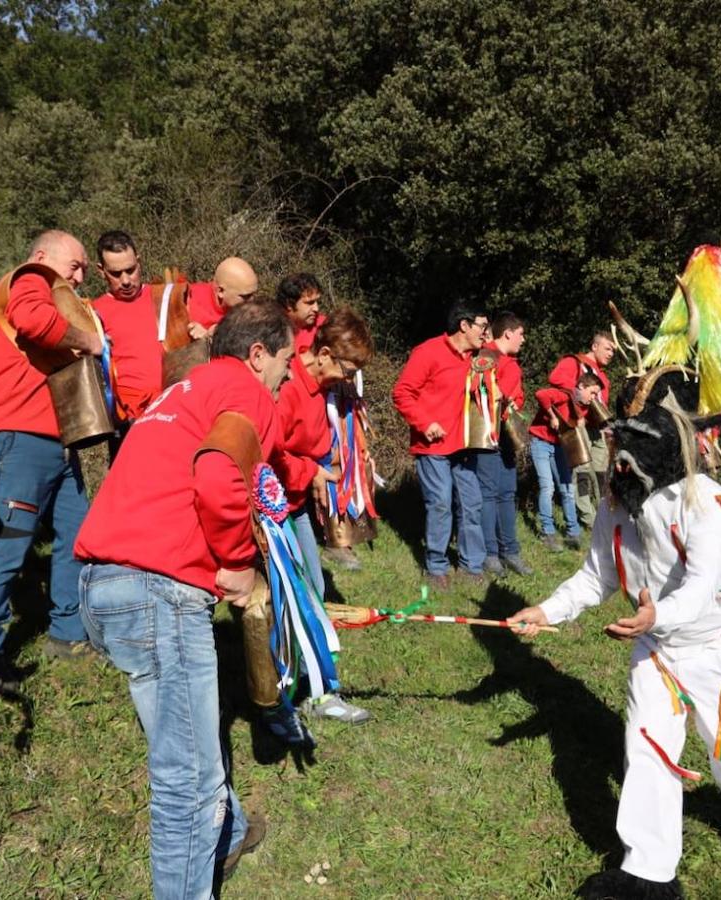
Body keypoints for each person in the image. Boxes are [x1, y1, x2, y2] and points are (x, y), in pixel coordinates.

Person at [510, 396, 721, 900]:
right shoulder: (616, 507)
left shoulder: (708, 504)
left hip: (717, 647)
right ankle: (649, 871)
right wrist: (547, 610)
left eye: (632, 448)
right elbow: (596, 577)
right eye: (618, 445)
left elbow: (702, 587)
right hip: (656, 649)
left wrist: (658, 613)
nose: (619, 459)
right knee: (646, 749)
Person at [75, 301, 293, 898]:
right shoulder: (246, 392)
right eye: (286, 361)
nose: (288, 375)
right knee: (186, 776)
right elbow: (221, 472)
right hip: (158, 590)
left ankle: (232, 832)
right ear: (257, 354)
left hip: (102, 581)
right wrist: (238, 565)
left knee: (186, 736)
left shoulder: (183, 390)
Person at [0, 231, 103, 690]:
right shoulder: (30, 280)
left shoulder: (53, 289)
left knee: (75, 536)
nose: (79, 277)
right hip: (14, 438)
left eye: (83, 269)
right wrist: (89, 340)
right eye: (75, 265)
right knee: (11, 541)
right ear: (42, 257)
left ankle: (68, 632)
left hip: (58, 443)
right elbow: (34, 322)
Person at [273, 308, 375, 724]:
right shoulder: (287, 386)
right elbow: (269, 452)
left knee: (313, 591)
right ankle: (282, 696)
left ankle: (316, 689)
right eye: (348, 369)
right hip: (272, 508)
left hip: (295, 503)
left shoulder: (321, 392)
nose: (350, 379)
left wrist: (324, 458)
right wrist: (310, 467)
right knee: (289, 602)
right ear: (326, 353)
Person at [391, 304, 491, 589]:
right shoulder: (428, 352)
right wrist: (425, 423)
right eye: (482, 326)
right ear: (464, 325)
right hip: (433, 446)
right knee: (440, 505)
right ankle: (436, 566)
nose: (486, 333)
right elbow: (402, 393)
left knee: (472, 504)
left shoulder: (480, 359)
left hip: (465, 446)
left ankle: (472, 566)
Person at [90, 230, 217, 423]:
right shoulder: (93, 312)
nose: (125, 280)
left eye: (130, 270)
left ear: (139, 262)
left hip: (179, 410)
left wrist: (206, 334)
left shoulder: (167, 296)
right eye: (116, 274)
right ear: (101, 271)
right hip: (129, 420)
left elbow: (222, 330)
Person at [475, 311, 532, 576]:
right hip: (486, 435)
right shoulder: (485, 357)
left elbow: (514, 398)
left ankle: (510, 550)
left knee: (507, 493)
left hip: (505, 436)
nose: (523, 339)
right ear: (508, 333)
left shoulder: (508, 362)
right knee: (488, 494)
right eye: (520, 334)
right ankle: (490, 553)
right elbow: (489, 394)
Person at [528, 371, 601, 552]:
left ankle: (573, 532)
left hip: (560, 447)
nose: (594, 397)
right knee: (548, 487)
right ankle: (548, 532)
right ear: (581, 387)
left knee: (567, 490)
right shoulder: (564, 395)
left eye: (596, 394)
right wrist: (552, 415)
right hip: (541, 444)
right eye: (592, 392)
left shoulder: (583, 406)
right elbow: (541, 394)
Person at [548, 333, 614, 528]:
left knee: (601, 472)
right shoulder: (574, 362)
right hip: (580, 425)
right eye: (607, 348)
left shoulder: (602, 374)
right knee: (582, 472)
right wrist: (578, 391)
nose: (611, 354)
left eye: (613, 351)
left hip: (598, 429)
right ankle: (589, 518)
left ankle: (603, 512)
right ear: (594, 346)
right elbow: (554, 378)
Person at [188, 256, 259, 332]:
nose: (252, 301)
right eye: (245, 296)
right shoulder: (186, 303)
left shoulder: (250, 312)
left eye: (253, 294)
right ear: (220, 291)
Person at [275, 272, 325, 353]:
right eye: (309, 303)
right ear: (289, 304)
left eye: (317, 302)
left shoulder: (325, 326)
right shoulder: (272, 333)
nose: (316, 308)